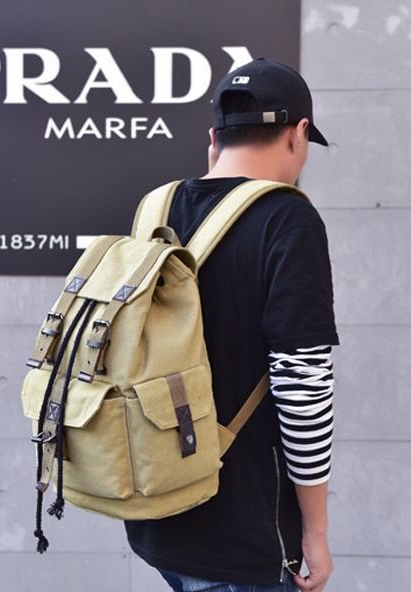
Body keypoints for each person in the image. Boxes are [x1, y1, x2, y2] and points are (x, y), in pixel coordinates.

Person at [125, 58, 339, 592]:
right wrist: (315, 531)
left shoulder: (156, 207)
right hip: (243, 537)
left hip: (157, 516)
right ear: (299, 134)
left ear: (214, 137)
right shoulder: (287, 218)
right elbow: (303, 385)